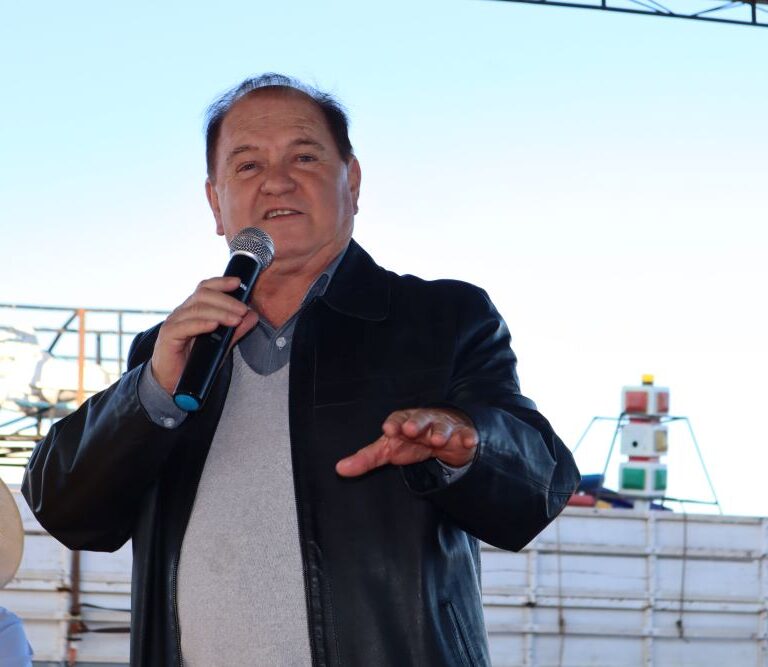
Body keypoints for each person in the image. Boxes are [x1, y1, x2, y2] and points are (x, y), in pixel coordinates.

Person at [22, 74, 580, 666]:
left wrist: (470, 445)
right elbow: (69, 513)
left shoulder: (443, 319)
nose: (277, 181)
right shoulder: (170, 352)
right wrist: (150, 393)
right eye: (247, 165)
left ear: (352, 181)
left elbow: (537, 492)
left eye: (304, 157)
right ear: (215, 203)